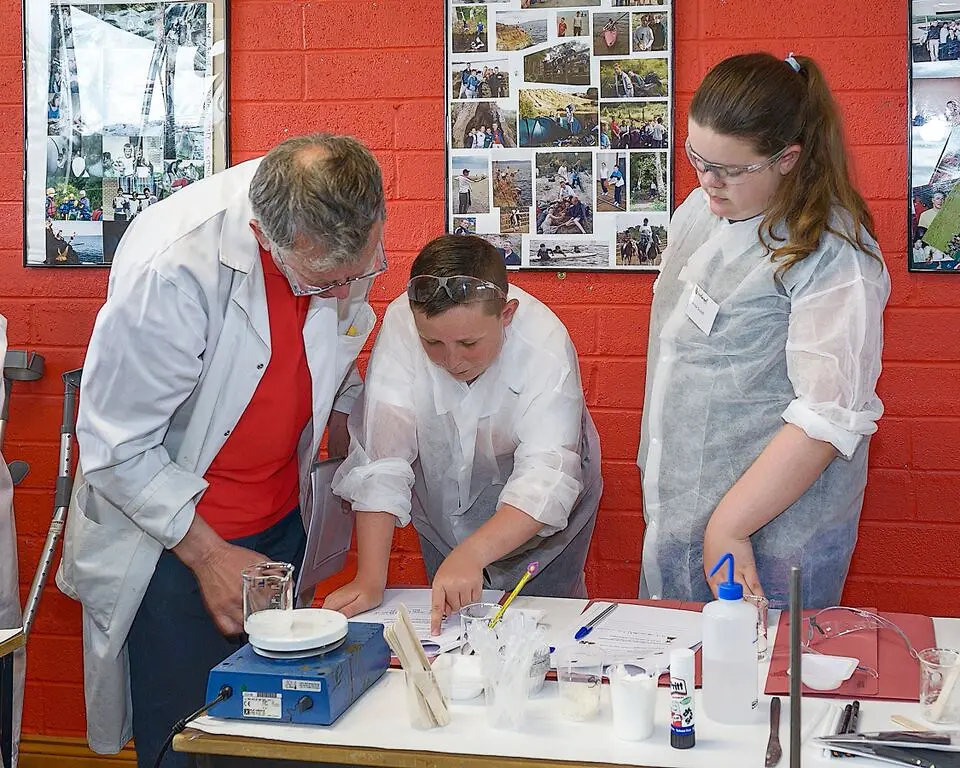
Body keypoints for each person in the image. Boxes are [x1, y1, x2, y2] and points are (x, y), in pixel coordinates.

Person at [56, 134, 387, 766]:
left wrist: (348, 415)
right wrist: (208, 558)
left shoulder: (338, 228)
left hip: (278, 527)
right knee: (191, 735)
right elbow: (114, 447)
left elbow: (328, 347)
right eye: (322, 279)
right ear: (266, 234)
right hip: (173, 545)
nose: (342, 289)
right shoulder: (174, 268)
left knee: (276, 735)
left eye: (358, 273)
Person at [637, 53, 890, 610]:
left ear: (786, 159)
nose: (707, 180)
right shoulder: (700, 215)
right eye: (696, 157)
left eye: (729, 168)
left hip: (772, 538)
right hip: (682, 514)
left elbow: (828, 417)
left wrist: (728, 527)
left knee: (763, 685)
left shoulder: (833, 254)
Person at [325, 235, 601, 632]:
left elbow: (545, 478)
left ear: (506, 314)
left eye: (469, 343)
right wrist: (370, 580)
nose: (451, 361)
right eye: (432, 342)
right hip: (441, 504)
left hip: (540, 528)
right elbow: (381, 460)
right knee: (452, 627)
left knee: (543, 632)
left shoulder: (545, 345)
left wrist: (473, 553)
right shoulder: (403, 322)